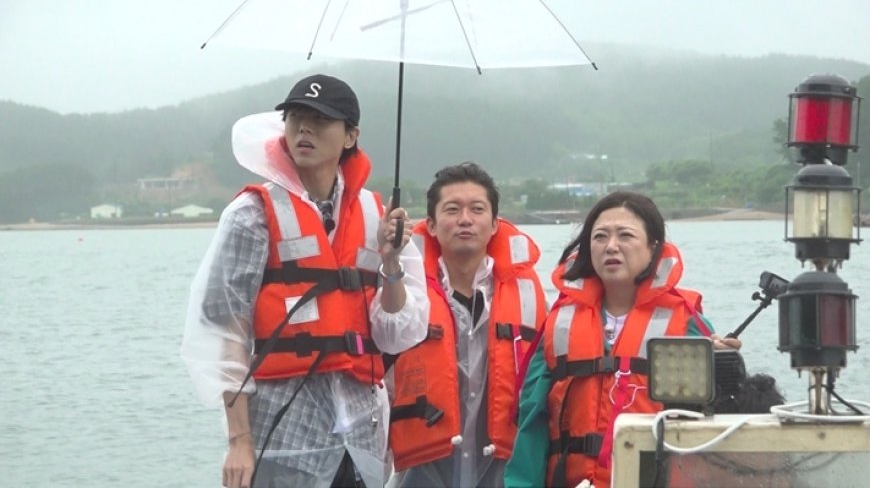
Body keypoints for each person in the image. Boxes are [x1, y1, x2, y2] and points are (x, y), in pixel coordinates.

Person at [181, 73, 429, 488]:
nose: (304, 129)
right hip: (283, 436)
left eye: (320, 119)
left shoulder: (378, 217)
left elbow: (397, 335)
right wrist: (239, 441)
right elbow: (228, 331)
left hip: (361, 435)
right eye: (295, 117)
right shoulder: (251, 215)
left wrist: (390, 264)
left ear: (350, 136)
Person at [504, 191, 741, 488]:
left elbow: (719, 420)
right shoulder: (558, 324)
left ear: (653, 246)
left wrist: (725, 366)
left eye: (625, 235)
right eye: (600, 237)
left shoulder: (687, 323)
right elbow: (531, 422)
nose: (611, 246)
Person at [386, 162, 548, 488]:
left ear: (493, 225)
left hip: (502, 466)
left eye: (477, 209)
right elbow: (385, 336)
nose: (465, 219)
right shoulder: (406, 289)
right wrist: (389, 262)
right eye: (452, 209)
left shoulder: (528, 294)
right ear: (430, 225)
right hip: (421, 468)